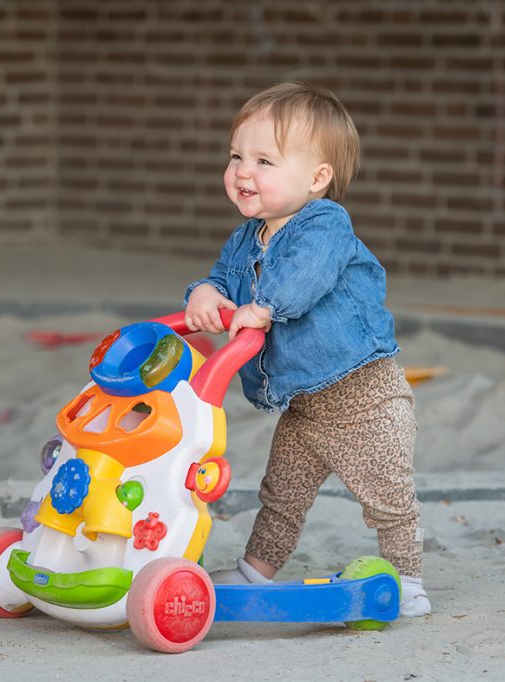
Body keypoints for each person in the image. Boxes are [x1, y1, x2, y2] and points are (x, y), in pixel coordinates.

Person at [183, 82, 430, 617]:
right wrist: (203, 294)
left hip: (364, 395)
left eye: (265, 161)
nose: (243, 171)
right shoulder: (246, 237)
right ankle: (256, 570)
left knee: (387, 496)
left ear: (317, 178)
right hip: (304, 406)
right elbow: (222, 281)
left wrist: (263, 306)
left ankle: (408, 579)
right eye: (236, 156)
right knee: (281, 494)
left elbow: (306, 276)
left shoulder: (324, 224)